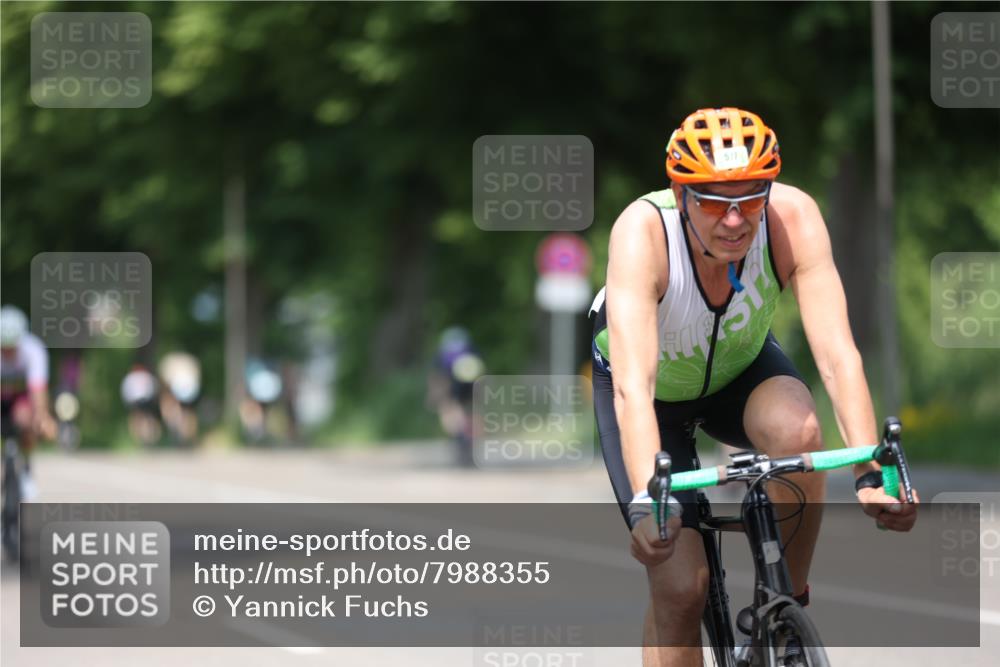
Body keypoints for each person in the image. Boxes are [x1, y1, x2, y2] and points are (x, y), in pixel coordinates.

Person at [589, 108, 920, 665]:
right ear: (681, 192)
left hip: (739, 374)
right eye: (717, 200)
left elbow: (838, 356)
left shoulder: (793, 217)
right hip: (652, 400)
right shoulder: (643, 232)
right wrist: (653, 506)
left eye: (751, 196)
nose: (737, 220)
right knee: (680, 589)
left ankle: (785, 607)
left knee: (799, 428)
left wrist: (873, 473)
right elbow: (635, 389)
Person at [0, 305, 56, 499]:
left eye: (11, 347)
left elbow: (38, 391)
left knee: (26, 417)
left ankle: (26, 470)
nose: (7, 352)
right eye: (3, 347)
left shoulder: (33, 350)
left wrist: (42, 417)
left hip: (21, 398)